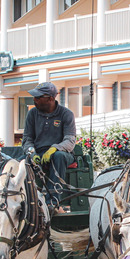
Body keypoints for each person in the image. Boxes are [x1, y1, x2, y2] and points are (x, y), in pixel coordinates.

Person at [21, 82, 76, 213]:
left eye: (38, 97)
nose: (34, 99)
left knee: (58, 157)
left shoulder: (66, 114)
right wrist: (31, 152)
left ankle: (53, 202)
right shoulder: (32, 114)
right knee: (22, 163)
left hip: (61, 153)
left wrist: (55, 148)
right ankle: (25, 201)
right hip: (38, 153)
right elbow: (27, 139)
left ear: (50, 98)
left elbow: (70, 140)